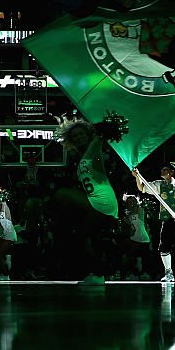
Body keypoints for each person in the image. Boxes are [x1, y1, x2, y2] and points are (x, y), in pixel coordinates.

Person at [53, 117, 119, 285]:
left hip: (102, 199)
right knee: (82, 236)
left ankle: (98, 271)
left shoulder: (95, 148)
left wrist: (106, 127)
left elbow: (101, 136)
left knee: (61, 194)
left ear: (88, 134)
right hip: (93, 201)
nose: (78, 138)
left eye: (81, 133)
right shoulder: (77, 158)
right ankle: (97, 274)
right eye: (75, 136)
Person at [134, 162, 175, 281]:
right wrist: (137, 176)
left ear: (171, 172)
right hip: (167, 219)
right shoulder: (159, 184)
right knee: (164, 246)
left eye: (165, 170)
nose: (162, 171)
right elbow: (142, 188)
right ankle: (168, 273)